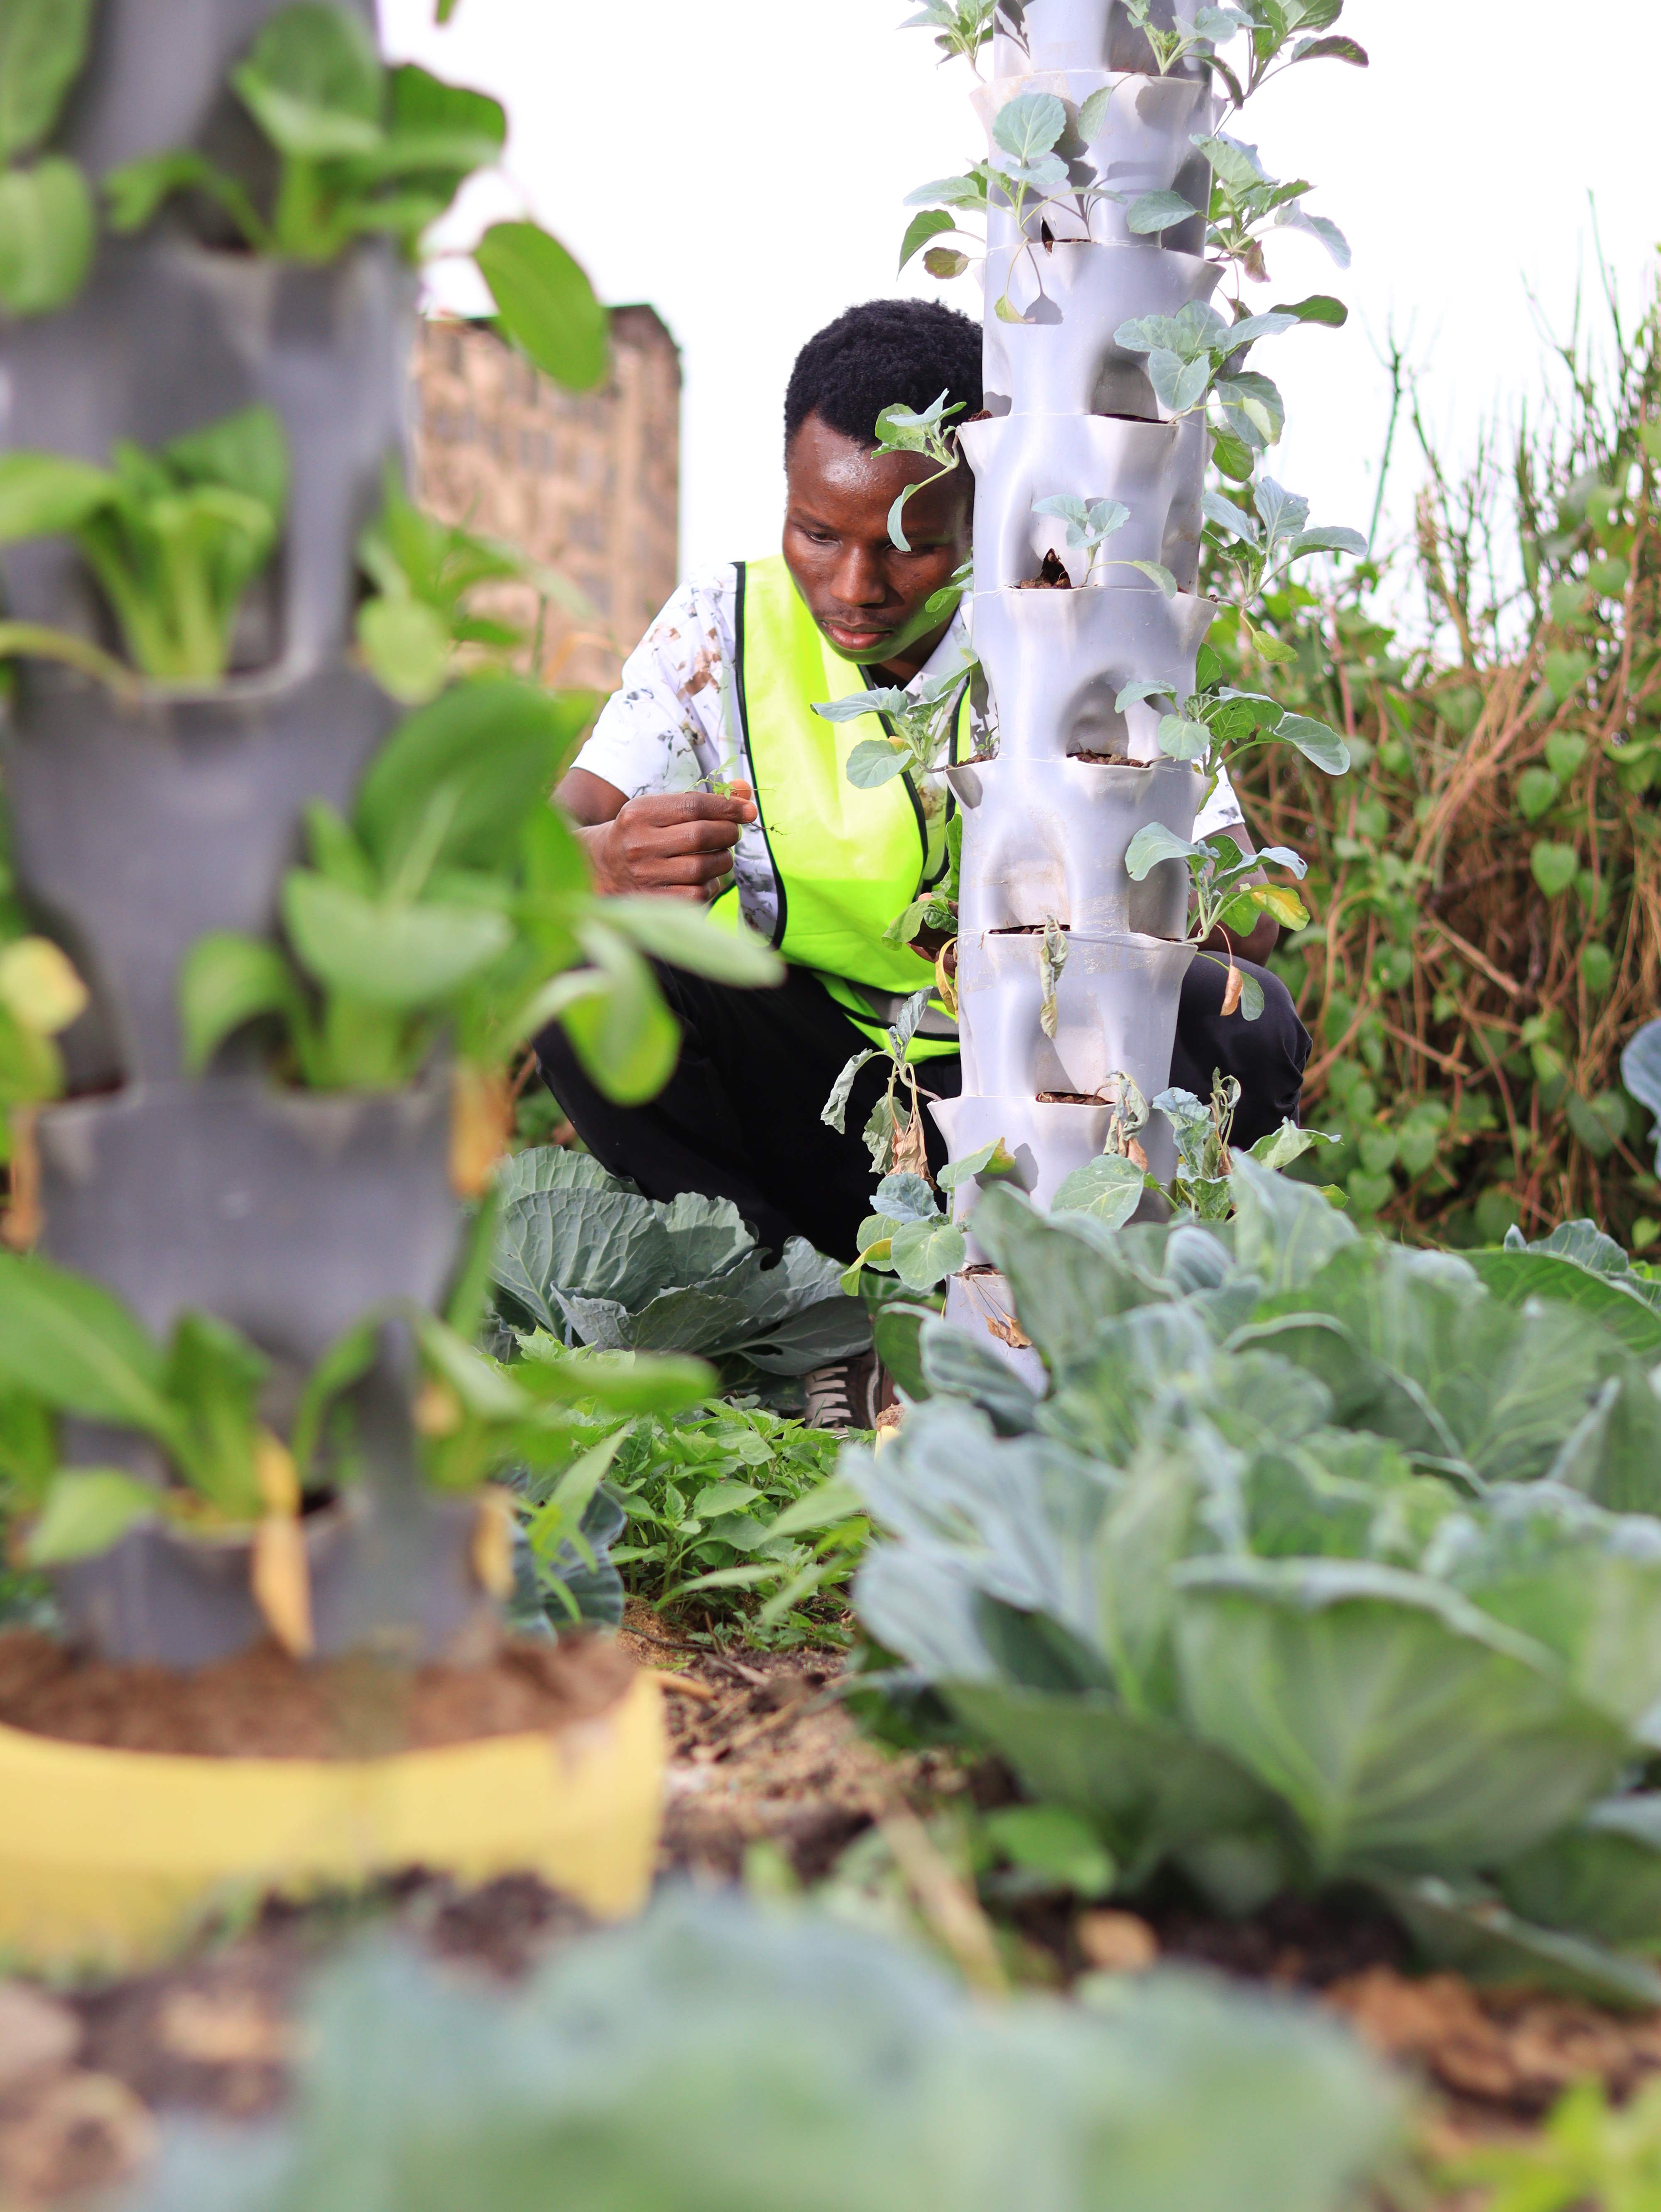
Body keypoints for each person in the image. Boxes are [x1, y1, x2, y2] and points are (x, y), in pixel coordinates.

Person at [541, 299, 1310, 1420]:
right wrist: (597, 863)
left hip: (1046, 1114)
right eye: (819, 533)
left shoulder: (1073, 630)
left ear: (983, 511)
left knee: (1251, 1017)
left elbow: (1258, 916)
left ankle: (1079, 1313)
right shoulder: (721, 622)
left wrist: (1101, 860)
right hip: (829, 1102)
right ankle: (796, 1324)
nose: (856, 587)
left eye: (907, 544)